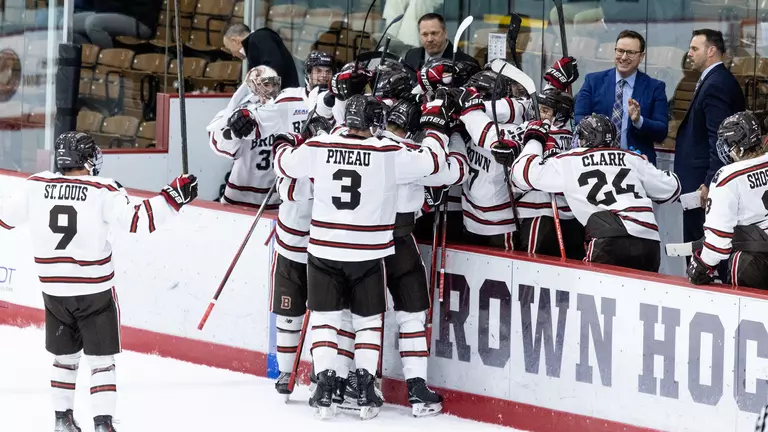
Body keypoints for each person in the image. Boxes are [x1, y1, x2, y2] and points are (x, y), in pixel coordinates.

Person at [0, 132, 197, 432]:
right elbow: (138, 221)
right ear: (85, 158)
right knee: (101, 362)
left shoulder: (35, 186)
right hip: (94, 292)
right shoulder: (103, 189)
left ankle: (61, 420)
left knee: (64, 358)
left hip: (54, 293)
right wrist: (173, 197)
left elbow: (5, 218)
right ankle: (103, 425)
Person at [273, 93, 449, 420]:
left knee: (328, 318)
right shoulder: (387, 151)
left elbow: (283, 163)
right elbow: (435, 163)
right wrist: (437, 125)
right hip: (368, 248)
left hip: (324, 248)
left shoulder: (320, 146)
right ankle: (366, 384)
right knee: (368, 321)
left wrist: (286, 142)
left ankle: (324, 385)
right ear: (376, 123)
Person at [509, 115, 681, 272]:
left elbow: (521, 173)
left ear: (584, 139)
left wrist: (535, 139)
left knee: (593, 305)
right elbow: (673, 188)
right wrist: (646, 166)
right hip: (649, 242)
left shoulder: (570, 160)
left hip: (609, 240)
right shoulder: (632, 158)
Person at [269, 116, 333, 397]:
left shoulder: (330, 163)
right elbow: (289, 190)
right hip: (289, 247)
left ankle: (322, 370)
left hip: (322, 249)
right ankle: (286, 369)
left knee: (323, 314)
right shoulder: (294, 159)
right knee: (288, 313)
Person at [675, 29, 745, 264]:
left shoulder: (717, 83)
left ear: (711, 51)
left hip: (703, 186)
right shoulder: (713, 79)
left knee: (702, 248)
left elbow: (720, 138)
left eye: (695, 48)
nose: (689, 54)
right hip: (700, 181)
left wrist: (709, 181)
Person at [687, 111, 768, 289]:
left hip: (755, 261)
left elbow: (718, 242)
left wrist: (702, 267)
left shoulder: (728, 177)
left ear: (737, 145)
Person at [206, 65, 299, 209]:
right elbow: (219, 145)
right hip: (238, 197)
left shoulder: (283, 110)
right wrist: (233, 130)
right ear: (252, 86)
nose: (271, 89)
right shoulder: (240, 112)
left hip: (275, 200)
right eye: (266, 84)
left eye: (274, 84)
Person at [574, 30, 668, 165]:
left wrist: (638, 121)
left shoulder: (655, 88)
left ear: (641, 56)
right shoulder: (593, 81)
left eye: (630, 52)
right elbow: (579, 118)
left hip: (637, 166)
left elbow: (661, 131)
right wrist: (595, 126)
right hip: (596, 162)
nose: (623, 57)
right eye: (620, 51)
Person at [222, 23, 300, 89]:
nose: (233, 55)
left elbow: (275, 67)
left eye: (230, 49)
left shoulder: (259, 38)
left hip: (284, 98)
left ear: (235, 41)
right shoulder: (256, 41)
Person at [403, 13, 478, 74]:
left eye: (434, 33)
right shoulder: (411, 56)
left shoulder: (466, 64)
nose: (430, 39)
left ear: (445, 33)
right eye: (425, 34)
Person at [72, 0, 162, 48]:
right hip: (112, 12)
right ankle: (91, 55)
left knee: (93, 23)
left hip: (140, 20)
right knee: (69, 23)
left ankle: (109, 59)